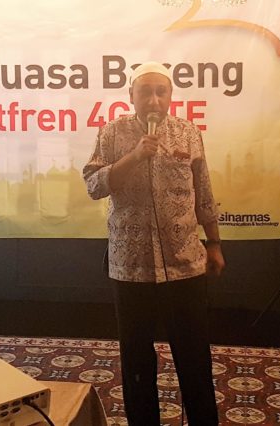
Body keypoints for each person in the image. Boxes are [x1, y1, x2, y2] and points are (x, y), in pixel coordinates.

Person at [83, 61, 225, 425]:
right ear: (131, 95)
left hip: (184, 264)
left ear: (171, 96)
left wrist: (214, 243)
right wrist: (134, 156)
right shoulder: (112, 133)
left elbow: (203, 192)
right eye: (145, 92)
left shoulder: (188, 133)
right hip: (131, 267)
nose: (154, 100)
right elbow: (94, 186)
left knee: (194, 358)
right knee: (136, 360)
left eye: (161, 92)